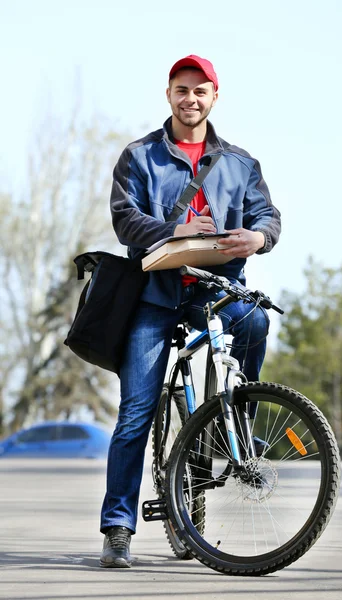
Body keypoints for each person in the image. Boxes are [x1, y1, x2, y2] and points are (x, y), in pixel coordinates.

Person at [99, 55, 281, 568]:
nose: (190, 98)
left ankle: (233, 426)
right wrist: (173, 231)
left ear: (214, 97)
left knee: (255, 320)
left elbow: (268, 214)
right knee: (135, 412)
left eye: (200, 91)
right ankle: (117, 525)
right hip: (154, 295)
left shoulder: (241, 163)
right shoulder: (139, 156)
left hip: (216, 291)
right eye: (182, 89)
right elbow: (124, 219)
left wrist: (259, 235)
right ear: (169, 95)